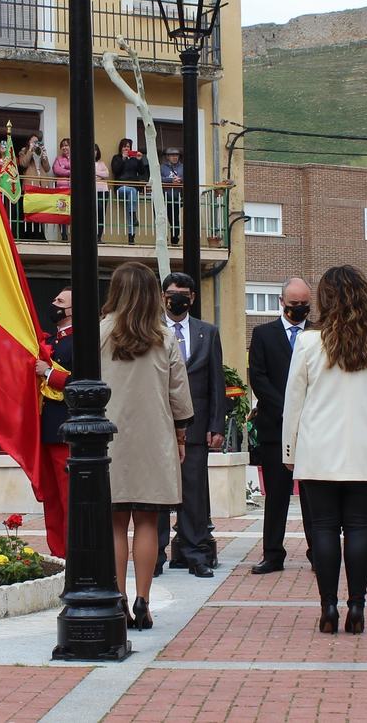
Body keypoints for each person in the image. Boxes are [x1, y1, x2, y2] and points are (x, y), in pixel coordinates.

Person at [281, 265, 367, 636]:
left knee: (325, 529)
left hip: (318, 449)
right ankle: (357, 605)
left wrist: (289, 450)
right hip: (364, 447)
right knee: (360, 527)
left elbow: (293, 402)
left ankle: (328, 606)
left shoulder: (309, 342)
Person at [99, 262, 194, 630]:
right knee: (149, 522)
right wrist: (181, 435)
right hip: (155, 439)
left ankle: (118, 597)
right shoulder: (164, 336)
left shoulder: (101, 332)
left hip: (110, 439)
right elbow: (179, 395)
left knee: (115, 524)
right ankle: (143, 600)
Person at [157, 272, 226, 578]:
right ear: (163, 296)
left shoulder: (207, 332)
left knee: (194, 493)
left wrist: (217, 425)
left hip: (196, 428)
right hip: (157, 426)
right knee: (156, 494)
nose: (178, 298)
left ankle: (195, 552)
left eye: (184, 293)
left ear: (193, 298)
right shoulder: (150, 329)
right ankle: (155, 553)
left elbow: (216, 382)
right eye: (173, 293)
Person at [247, 277, 312, 574]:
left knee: (313, 495)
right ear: (281, 302)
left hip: (313, 427)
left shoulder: (318, 334)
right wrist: (287, 409)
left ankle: (318, 550)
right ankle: (273, 553)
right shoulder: (263, 334)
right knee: (276, 495)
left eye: (304, 304)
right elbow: (258, 378)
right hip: (276, 425)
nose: (299, 308)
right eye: (294, 303)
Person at [36, 288, 75, 557]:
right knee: (51, 497)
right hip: (47, 427)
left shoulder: (81, 341)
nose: (53, 304)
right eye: (54, 299)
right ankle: (57, 551)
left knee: (68, 497)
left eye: (60, 301)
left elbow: (85, 383)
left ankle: (72, 553)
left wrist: (48, 373)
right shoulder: (51, 341)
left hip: (66, 427)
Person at [110, 138, 150, 244]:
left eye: (128, 146)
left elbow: (142, 172)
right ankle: (133, 215)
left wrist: (140, 160)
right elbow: (115, 170)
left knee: (130, 207)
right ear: (121, 147)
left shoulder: (134, 159)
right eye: (124, 146)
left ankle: (131, 237)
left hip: (132, 189)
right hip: (120, 188)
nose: (126, 148)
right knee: (132, 192)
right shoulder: (117, 158)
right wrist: (123, 159)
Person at [160, 148, 185, 244]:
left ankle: (175, 240)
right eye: (172, 155)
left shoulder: (182, 167)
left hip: (176, 197)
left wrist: (180, 180)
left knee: (175, 220)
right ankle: (163, 240)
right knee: (162, 220)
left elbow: (189, 176)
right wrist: (171, 181)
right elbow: (157, 178)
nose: (175, 157)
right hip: (163, 197)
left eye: (176, 155)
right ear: (167, 157)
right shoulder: (162, 167)